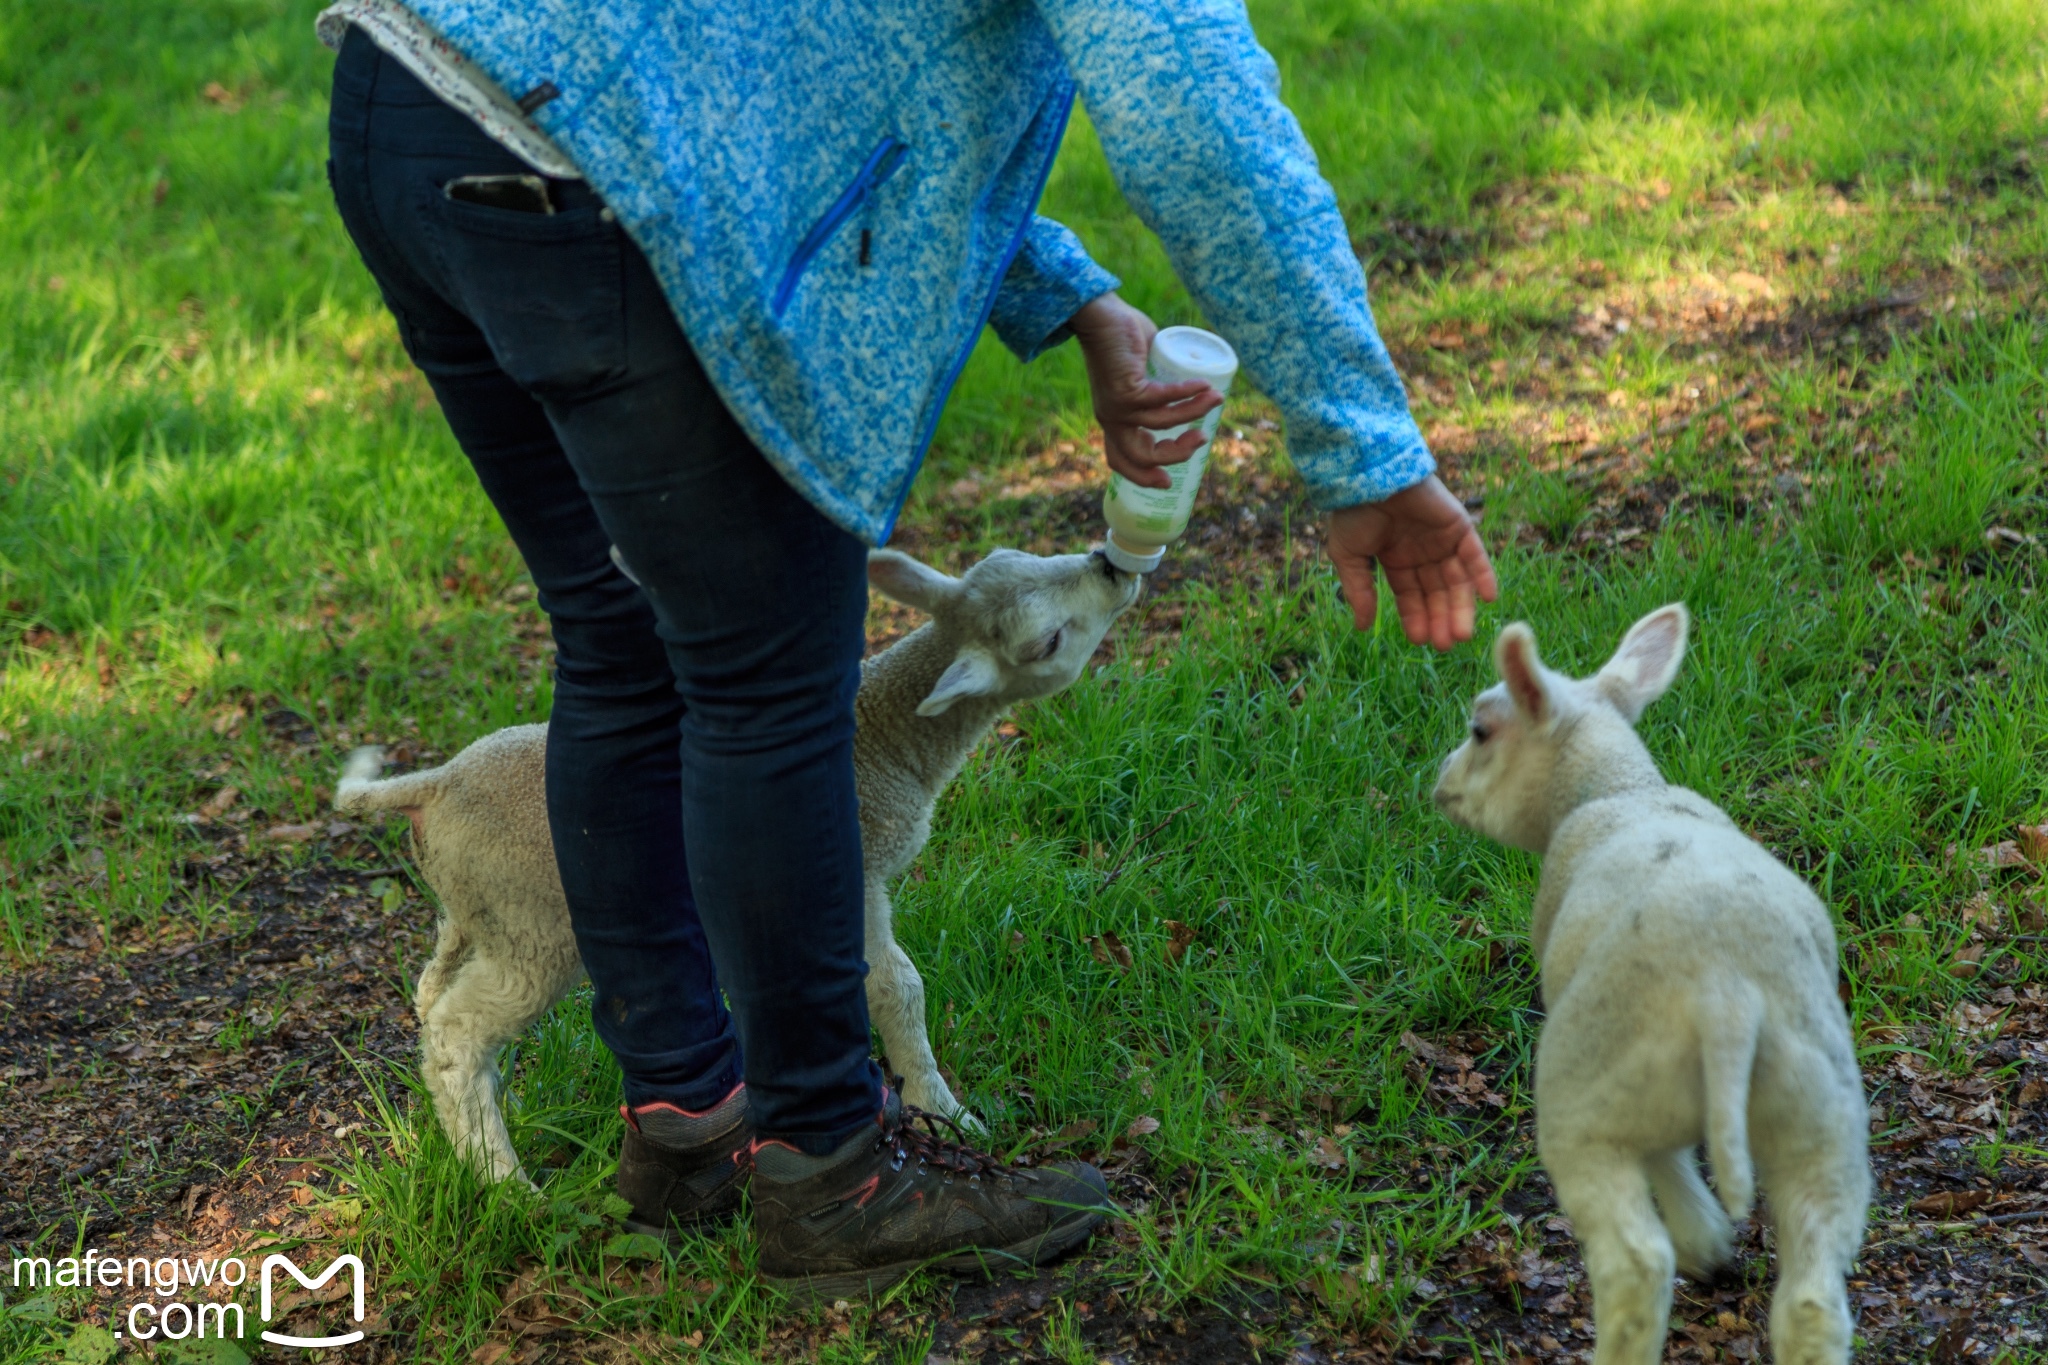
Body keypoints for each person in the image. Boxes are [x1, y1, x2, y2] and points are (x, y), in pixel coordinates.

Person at [319, 0, 1497, 1304]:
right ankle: (833, 1171)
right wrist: (1362, 446)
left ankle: (689, 1121)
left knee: (623, 642)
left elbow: (822, 63)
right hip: (599, 164)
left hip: (415, 95)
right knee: (765, 687)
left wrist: (1072, 297)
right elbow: (1189, 104)